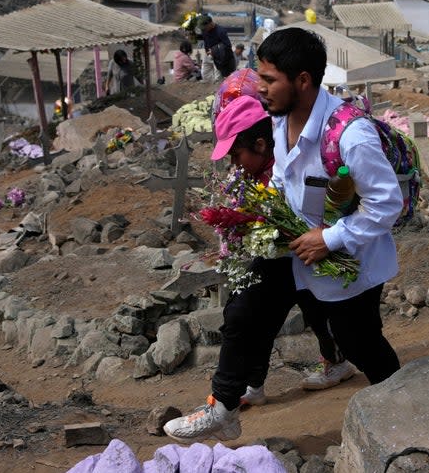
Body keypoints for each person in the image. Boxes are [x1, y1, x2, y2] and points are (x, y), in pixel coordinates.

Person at [164, 27, 401, 441]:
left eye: (270, 79)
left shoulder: (350, 134)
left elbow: (385, 205)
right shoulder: (279, 120)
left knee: (361, 344)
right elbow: (282, 177)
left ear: (303, 81)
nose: (260, 88)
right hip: (294, 249)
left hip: (347, 262)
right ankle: (223, 407)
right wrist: (265, 213)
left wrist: (328, 239)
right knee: (244, 310)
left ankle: (409, 406)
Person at [208, 95, 356, 408]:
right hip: (283, 257)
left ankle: (336, 362)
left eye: (236, 156)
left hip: (306, 254)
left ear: (260, 145)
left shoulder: (289, 161)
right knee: (262, 316)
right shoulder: (259, 170)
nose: (235, 165)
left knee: (313, 311)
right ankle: (254, 383)